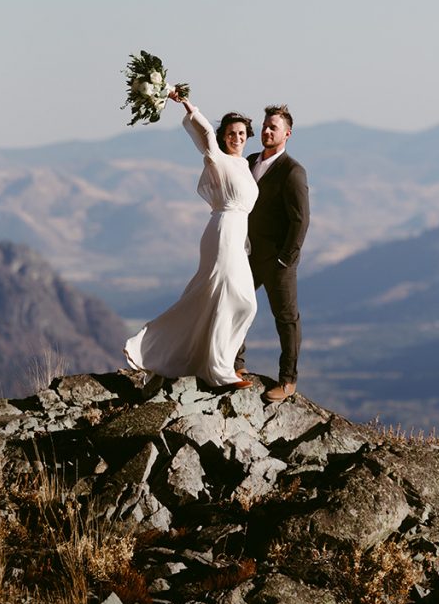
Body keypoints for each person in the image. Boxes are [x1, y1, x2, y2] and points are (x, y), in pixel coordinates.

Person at [124, 93, 258, 390]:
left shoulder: (245, 167)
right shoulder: (217, 157)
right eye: (231, 133)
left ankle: (181, 355)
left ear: (247, 136)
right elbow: (206, 133)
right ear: (223, 137)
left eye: (241, 133)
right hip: (222, 232)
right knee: (233, 298)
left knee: (233, 300)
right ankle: (220, 369)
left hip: (237, 236)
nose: (236, 138)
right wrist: (186, 104)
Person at [235, 104, 310, 402]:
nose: (267, 131)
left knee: (286, 319)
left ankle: (288, 381)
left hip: (277, 261)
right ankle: (236, 365)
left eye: (273, 128)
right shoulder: (250, 161)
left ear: (287, 134)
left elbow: (300, 219)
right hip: (246, 255)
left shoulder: (292, 171)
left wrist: (286, 259)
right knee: (236, 307)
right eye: (265, 126)